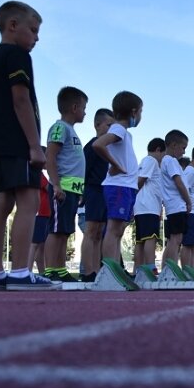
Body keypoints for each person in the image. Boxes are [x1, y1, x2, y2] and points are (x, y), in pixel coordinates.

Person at [0, 1, 60, 290]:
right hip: (17, 143)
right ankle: (21, 272)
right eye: (34, 31)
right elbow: (21, 100)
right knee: (27, 202)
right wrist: (34, 146)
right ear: (13, 26)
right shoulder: (17, 55)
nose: (37, 38)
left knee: (0, 202)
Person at [92, 91, 143, 266]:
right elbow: (98, 144)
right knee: (114, 229)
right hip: (119, 185)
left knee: (118, 230)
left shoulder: (124, 133)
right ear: (134, 112)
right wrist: (115, 165)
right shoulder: (119, 129)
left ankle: (114, 268)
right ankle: (109, 268)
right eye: (141, 112)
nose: (141, 117)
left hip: (126, 186)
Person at [43, 86, 87, 282]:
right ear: (75, 107)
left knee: (65, 231)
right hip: (61, 188)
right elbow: (50, 157)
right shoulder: (60, 127)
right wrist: (57, 185)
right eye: (84, 107)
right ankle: (50, 270)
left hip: (73, 190)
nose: (85, 112)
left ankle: (60, 269)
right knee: (56, 229)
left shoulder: (71, 131)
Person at [79, 108, 114, 282]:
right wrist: (83, 193)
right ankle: (88, 272)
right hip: (93, 190)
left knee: (100, 232)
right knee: (91, 230)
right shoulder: (93, 146)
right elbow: (84, 171)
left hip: (104, 192)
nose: (111, 129)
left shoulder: (108, 149)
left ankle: (97, 270)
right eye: (109, 125)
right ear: (97, 125)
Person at [132, 137, 165, 275]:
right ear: (158, 150)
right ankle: (150, 267)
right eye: (163, 154)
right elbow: (141, 180)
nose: (163, 158)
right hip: (148, 206)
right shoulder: (151, 161)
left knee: (140, 240)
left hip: (143, 207)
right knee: (150, 237)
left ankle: (137, 270)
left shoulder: (144, 161)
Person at [160, 130, 191, 265]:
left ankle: (166, 267)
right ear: (173, 145)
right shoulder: (171, 161)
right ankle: (171, 268)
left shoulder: (164, 161)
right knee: (176, 239)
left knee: (172, 239)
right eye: (183, 148)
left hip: (171, 205)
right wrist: (188, 201)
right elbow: (179, 183)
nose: (184, 152)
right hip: (177, 205)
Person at [27, 167, 50, 274]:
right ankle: (28, 271)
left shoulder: (39, 173)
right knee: (34, 243)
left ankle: (42, 272)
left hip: (44, 213)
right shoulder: (38, 173)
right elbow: (48, 188)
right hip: (40, 213)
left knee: (41, 245)